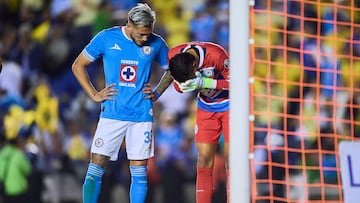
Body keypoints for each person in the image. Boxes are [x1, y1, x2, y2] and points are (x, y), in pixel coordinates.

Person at [71, 3, 169, 203]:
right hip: (112, 113)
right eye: (141, 34)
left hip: (142, 114)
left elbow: (172, 69)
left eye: (147, 34)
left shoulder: (157, 43)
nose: (145, 38)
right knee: (96, 166)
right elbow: (78, 65)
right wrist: (94, 94)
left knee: (139, 172)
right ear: (129, 25)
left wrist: (157, 92)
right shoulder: (107, 38)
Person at [149, 41, 230, 203]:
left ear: (195, 65)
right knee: (203, 161)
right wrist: (173, 89)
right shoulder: (174, 55)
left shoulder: (216, 55)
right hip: (206, 108)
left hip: (230, 105)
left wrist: (207, 82)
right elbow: (177, 82)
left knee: (232, 160)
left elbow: (237, 82)